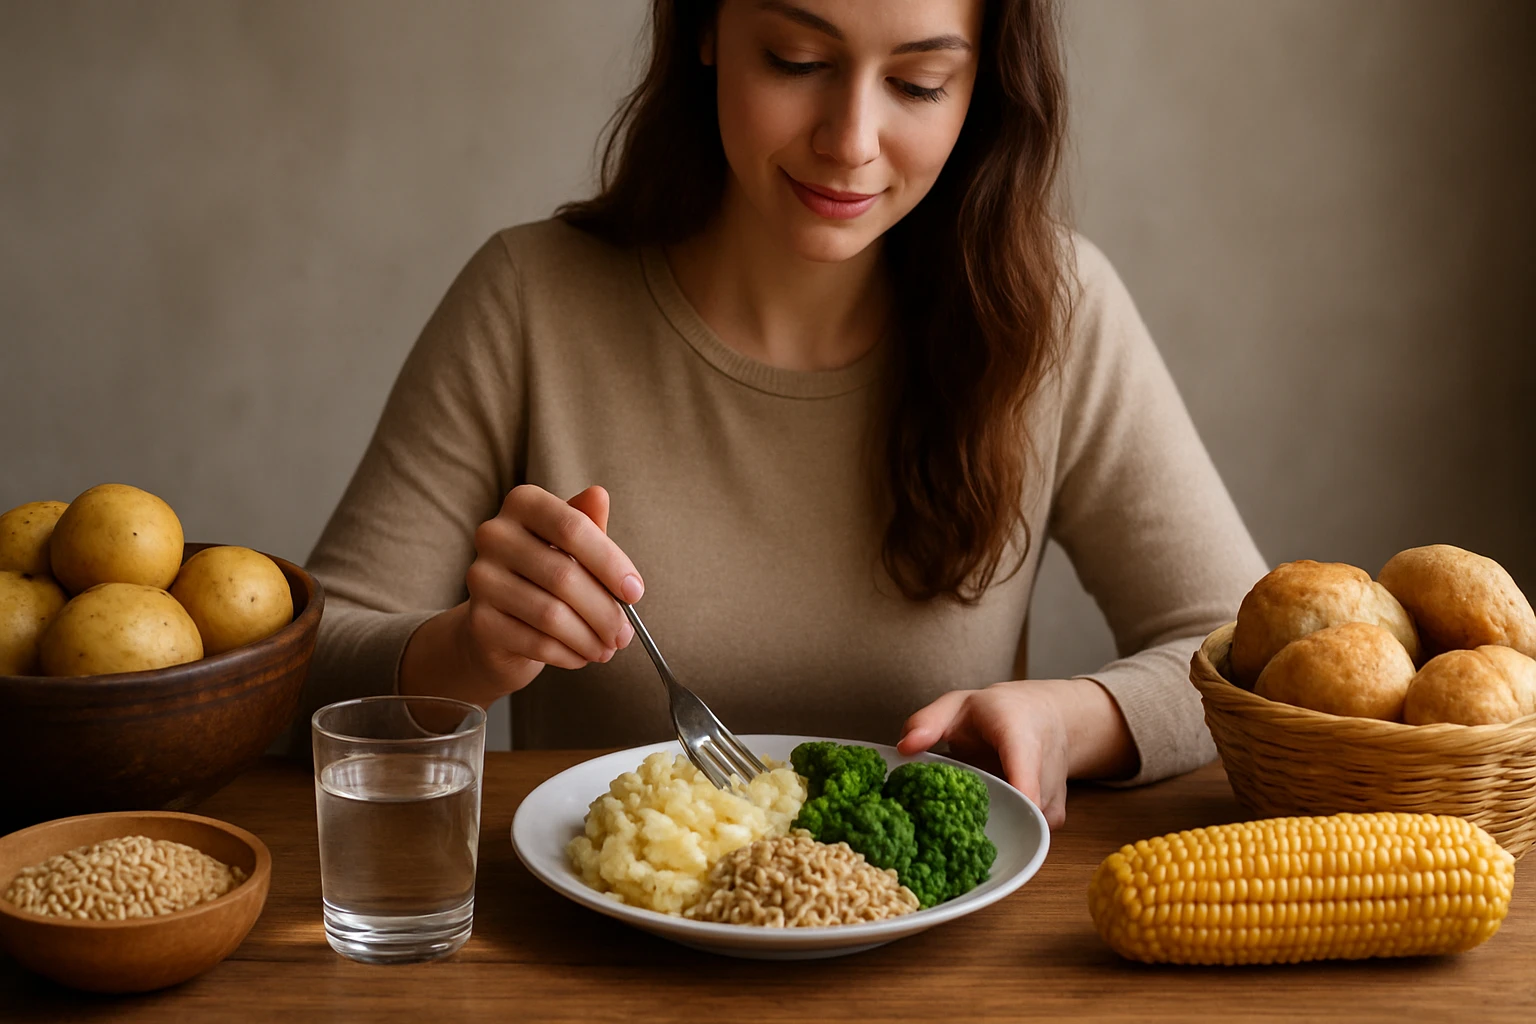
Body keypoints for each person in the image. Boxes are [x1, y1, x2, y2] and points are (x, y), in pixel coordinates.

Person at [303, 0, 1267, 826]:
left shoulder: (1054, 311)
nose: (849, 142)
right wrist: (467, 650)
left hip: (937, 972)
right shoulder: (529, 300)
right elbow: (292, 676)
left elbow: (1246, 654)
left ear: (983, 91)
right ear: (707, 28)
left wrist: (1075, 718)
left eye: (921, 83)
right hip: (594, 970)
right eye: (797, 61)